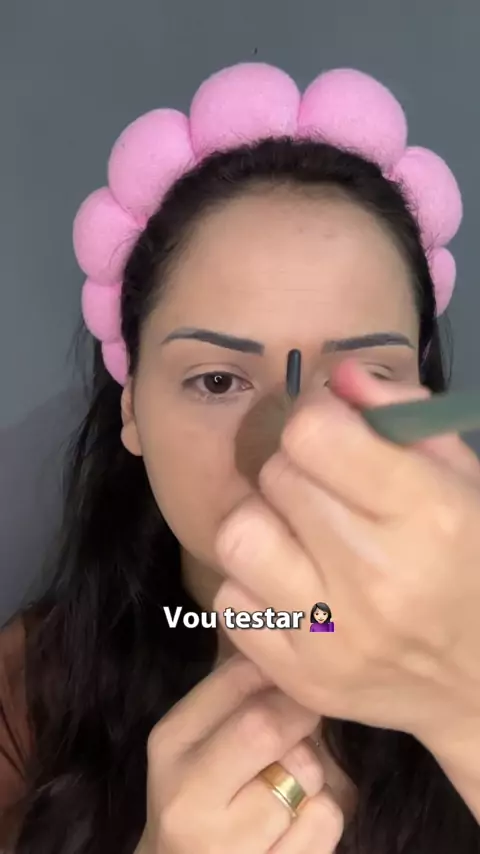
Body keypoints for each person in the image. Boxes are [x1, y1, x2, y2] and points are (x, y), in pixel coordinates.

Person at [0, 61, 479, 854]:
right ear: (132, 410)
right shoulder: (26, 699)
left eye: (361, 380)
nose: (290, 445)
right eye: (218, 381)